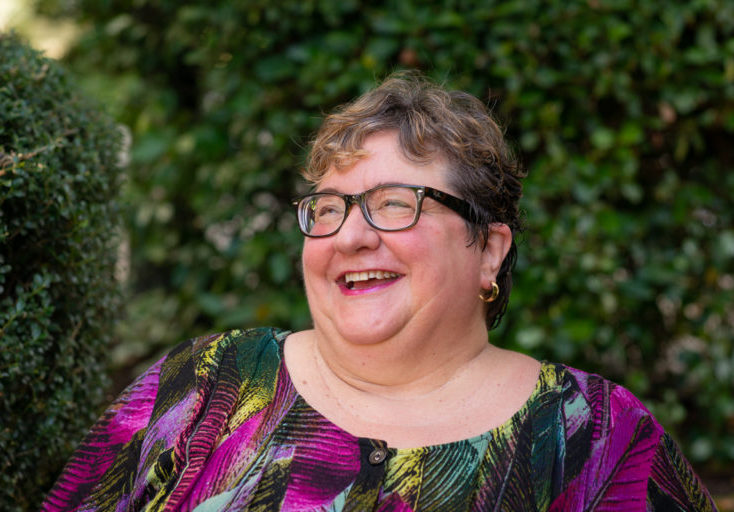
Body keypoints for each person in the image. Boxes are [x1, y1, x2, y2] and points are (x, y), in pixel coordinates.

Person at [41, 73, 718, 511]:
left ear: (490, 248)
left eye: (395, 203)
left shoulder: (598, 438)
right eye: (329, 206)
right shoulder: (202, 387)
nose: (349, 236)